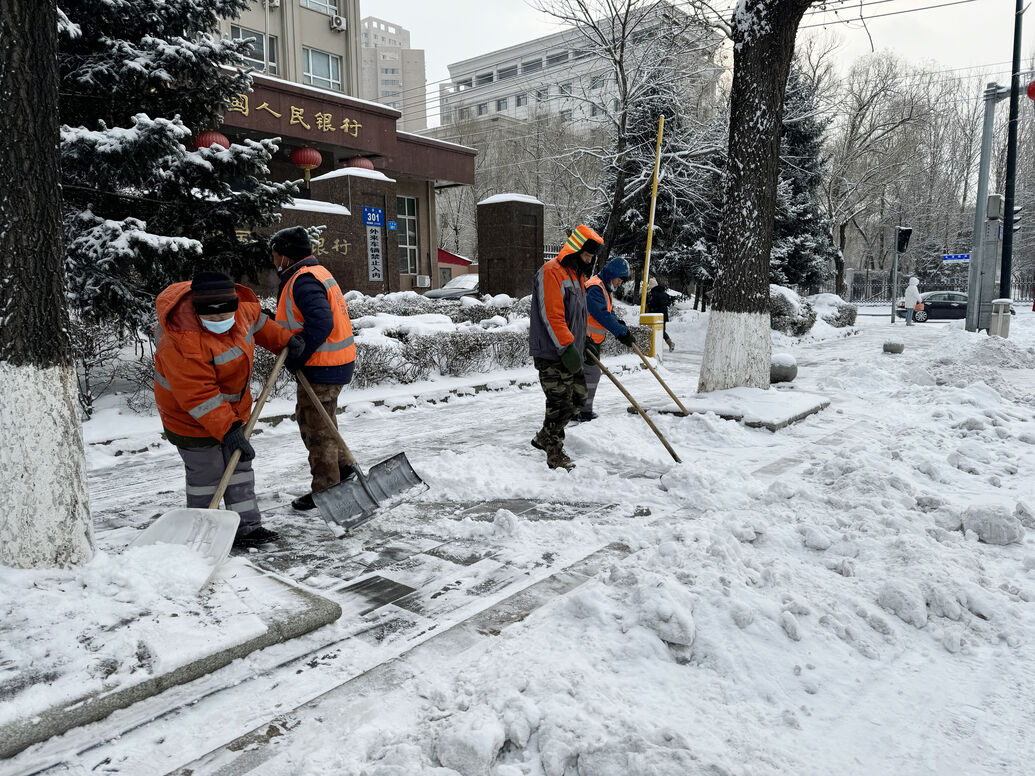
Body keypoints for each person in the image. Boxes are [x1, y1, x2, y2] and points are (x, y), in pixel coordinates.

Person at [154, 271, 305, 548]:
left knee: (240, 466)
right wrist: (230, 429)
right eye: (211, 319)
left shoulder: (241, 312)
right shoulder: (179, 340)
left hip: (233, 413)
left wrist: (284, 339)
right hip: (190, 419)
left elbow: (260, 324)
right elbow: (199, 395)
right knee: (207, 475)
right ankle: (202, 531)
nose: (220, 322)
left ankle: (247, 527)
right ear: (198, 313)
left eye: (225, 316)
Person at [269, 226, 357, 511]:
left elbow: (321, 323)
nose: (273, 260)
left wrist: (297, 356)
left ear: (285, 255)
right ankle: (343, 470)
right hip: (334, 363)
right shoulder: (314, 273)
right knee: (325, 421)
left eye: (275, 254)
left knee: (315, 430)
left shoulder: (303, 280)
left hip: (321, 366)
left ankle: (326, 490)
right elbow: (301, 318)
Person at [529, 224, 602, 471]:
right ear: (575, 249)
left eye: (592, 257)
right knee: (559, 402)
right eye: (587, 254)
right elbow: (552, 315)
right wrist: (567, 346)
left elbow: (578, 317)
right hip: (552, 353)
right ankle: (555, 453)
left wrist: (585, 340)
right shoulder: (551, 272)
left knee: (578, 398)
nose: (589, 260)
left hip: (572, 350)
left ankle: (543, 436)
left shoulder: (578, 277)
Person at [580, 257, 636, 422]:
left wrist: (620, 326)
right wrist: (621, 333)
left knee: (584, 375)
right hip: (583, 339)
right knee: (591, 373)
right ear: (612, 274)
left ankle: (579, 409)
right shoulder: (595, 287)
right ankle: (583, 411)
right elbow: (601, 314)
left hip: (593, 340)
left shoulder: (604, 288)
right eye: (619, 279)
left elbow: (608, 312)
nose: (619, 283)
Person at [646, 277, 676, 351]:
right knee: (662, 330)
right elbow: (668, 302)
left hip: (656, 315)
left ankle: (663, 345)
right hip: (664, 315)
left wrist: (649, 306)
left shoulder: (654, 294)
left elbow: (653, 304)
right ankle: (669, 343)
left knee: (659, 331)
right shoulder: (664, 293)